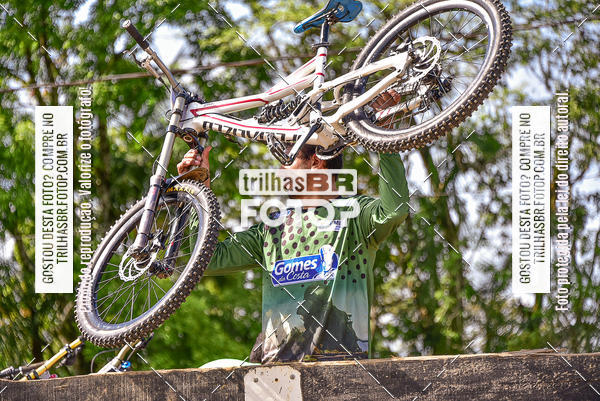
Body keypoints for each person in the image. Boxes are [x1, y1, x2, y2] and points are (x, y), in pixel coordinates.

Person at [178, 95, 409, 366]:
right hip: (275, 377)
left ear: (316, 162)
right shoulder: (271, 229)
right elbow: (206, 260)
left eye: (288, 160)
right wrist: (197, 189)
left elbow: (395, 210)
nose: (280, 170)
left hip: (342, 372)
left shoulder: (355, 215)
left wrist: (384, 136)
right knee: (212, 369)